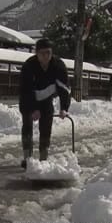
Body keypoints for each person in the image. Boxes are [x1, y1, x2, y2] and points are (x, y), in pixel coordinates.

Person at [18, 38, 71, 169]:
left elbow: (64, 88)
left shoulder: (58, 66)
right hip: (29, 98)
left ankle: (43, 156)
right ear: (36, 53)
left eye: (48, 52)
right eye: (42, 53)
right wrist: (33, 109)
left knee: (46, 125)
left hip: (46, 98)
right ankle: (27, 157)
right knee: (27, 124)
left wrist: (64, 108)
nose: (45, 56)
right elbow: (26, 90)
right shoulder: (29, 66)